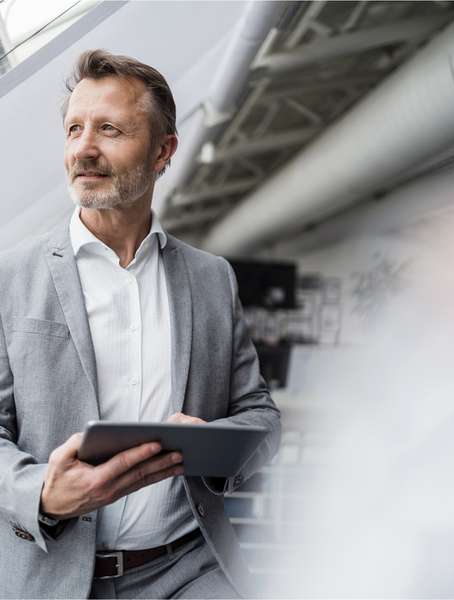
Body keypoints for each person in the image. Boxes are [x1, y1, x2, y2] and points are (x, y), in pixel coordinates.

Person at [0, 49, 281, 599]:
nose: (84, 147)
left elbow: (261, 416)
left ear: (163, 151)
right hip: (54, 579)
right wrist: (40, 492)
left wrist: (214, 444)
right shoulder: (9, 277)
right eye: (74, 128)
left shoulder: (210, 278)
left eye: (109, 129)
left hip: (190, 569)